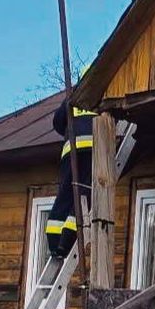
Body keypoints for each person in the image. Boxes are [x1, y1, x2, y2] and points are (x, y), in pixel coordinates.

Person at [46, 101, 95, 259]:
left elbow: (58, 121)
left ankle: (55, 242)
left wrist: (70, 128)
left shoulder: (72, 97)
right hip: (94, 147)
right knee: (84, 192)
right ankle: (68, 238)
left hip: (70, 149)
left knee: (66, 193)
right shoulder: (105, 90)